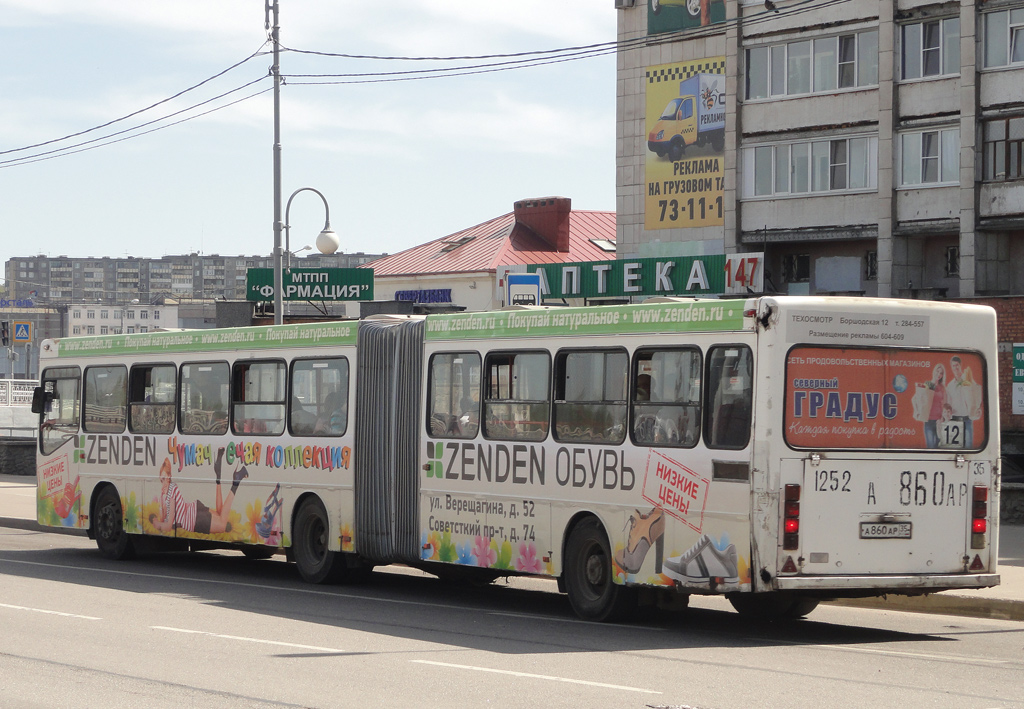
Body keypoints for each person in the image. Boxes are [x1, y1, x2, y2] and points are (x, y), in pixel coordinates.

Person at [149, 451, 247, 535]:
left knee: (222, 525)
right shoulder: (166, 494)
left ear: (169, 476)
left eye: (165, 478)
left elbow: (168, 526)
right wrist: (162, 501)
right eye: (161, 480)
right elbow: (163, 518)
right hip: (194, 510)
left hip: (194, 519)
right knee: (220, 513)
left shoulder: (172, 491)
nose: (163, 482)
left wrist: (155, 522)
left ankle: (236, 481)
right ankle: (218, 475)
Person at [946, 355, 975, 448]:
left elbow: (975, 397)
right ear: (951, 367)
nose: (955, 367)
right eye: (953, 366)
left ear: (960, 365)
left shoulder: (968, 380)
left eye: (957, 365)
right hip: (954, 419)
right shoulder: (950, 386)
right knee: (955, 448)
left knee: (969, 446)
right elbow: (948, 404)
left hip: (967, 419)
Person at [920, 363, 947, 449]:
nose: (938, 374)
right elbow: (922, 401)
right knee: (931, 446)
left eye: (941, 373)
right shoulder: (927, 385)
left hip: (939, 421)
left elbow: (944, 403)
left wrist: (943, 418)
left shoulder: (942, 387)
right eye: (937, 371)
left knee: (939, 446)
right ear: (934, 371)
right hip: (929, 421)